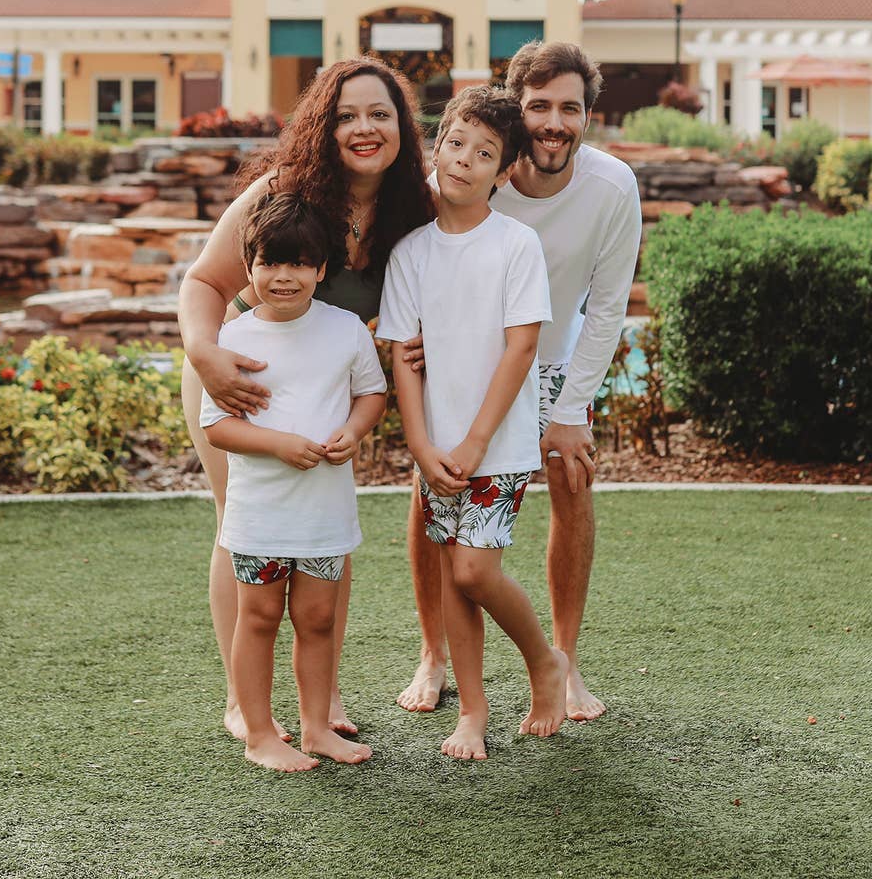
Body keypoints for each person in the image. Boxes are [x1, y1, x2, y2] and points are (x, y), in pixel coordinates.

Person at [179, 57, 436, 741]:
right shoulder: (282, 190)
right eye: (346, 115)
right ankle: (243, 701)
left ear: (403, 128)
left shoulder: (415, 206)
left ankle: (322, 705)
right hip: (242, 377)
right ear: (323, 126)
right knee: (244, 525)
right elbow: (203, 283)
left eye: (380, 114)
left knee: (324, 534)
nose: (364, 128)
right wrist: (208, 358)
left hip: (325, 388)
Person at [397, 41, 642, 723]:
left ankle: (566, 659)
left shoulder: (612, 187)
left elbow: (607, 305)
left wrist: (572, 409)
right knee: (430, 490)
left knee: (571, 472)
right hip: (463, 361)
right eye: (539, 106)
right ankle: (433, 652)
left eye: (571, 108)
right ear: (517, 111)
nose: (554, 122)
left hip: (554, 358)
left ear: (588, 115)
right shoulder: (477, 173)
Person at [377, 86, 568, 760]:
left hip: (501, 444)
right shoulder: (411, 254)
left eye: (483, 153)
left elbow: (522, 348)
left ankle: (545, 663)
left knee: (474, 573)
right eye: (455, 144)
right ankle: (475, 712)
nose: (463, 161)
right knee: (453, 574)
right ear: (437, 146)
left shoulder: (516, 245)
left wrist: (477, 440)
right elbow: (404, 356)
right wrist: (422, 445)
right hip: (438, 451)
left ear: (504, 168)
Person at [200, 192, 387, 772]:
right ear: (249, 267)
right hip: (260, 516)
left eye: (299, 264)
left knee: (318, 619)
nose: (284, 277)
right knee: (258, 618)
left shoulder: (346, 330)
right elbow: (219, 427)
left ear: (321, 269)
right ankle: (259, 733)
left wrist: (354, 432)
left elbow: (372, 393)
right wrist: (280, 445)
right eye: (269, 263)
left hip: (324, 514)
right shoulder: (233, 340)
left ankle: (314, 728)